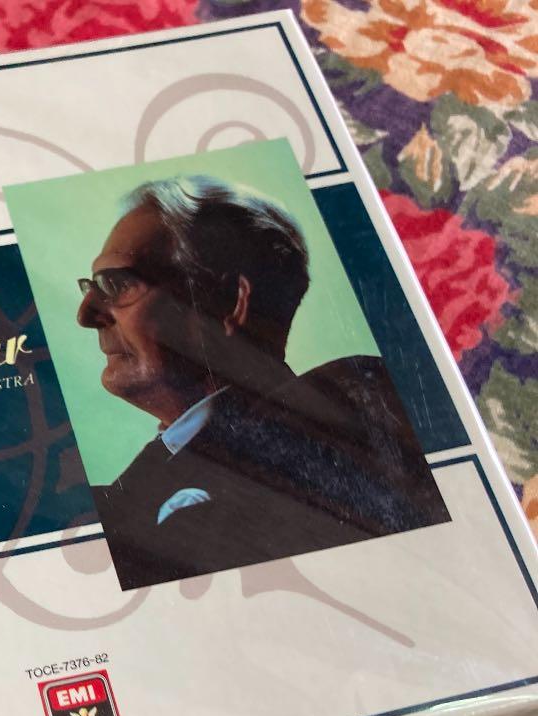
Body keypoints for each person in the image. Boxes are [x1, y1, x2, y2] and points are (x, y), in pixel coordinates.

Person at [76, 177, 449, 590]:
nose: (86, 313)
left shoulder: (355, 409)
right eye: (93, 287)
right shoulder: (128, 490)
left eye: (118, 284)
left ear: (231, 303)